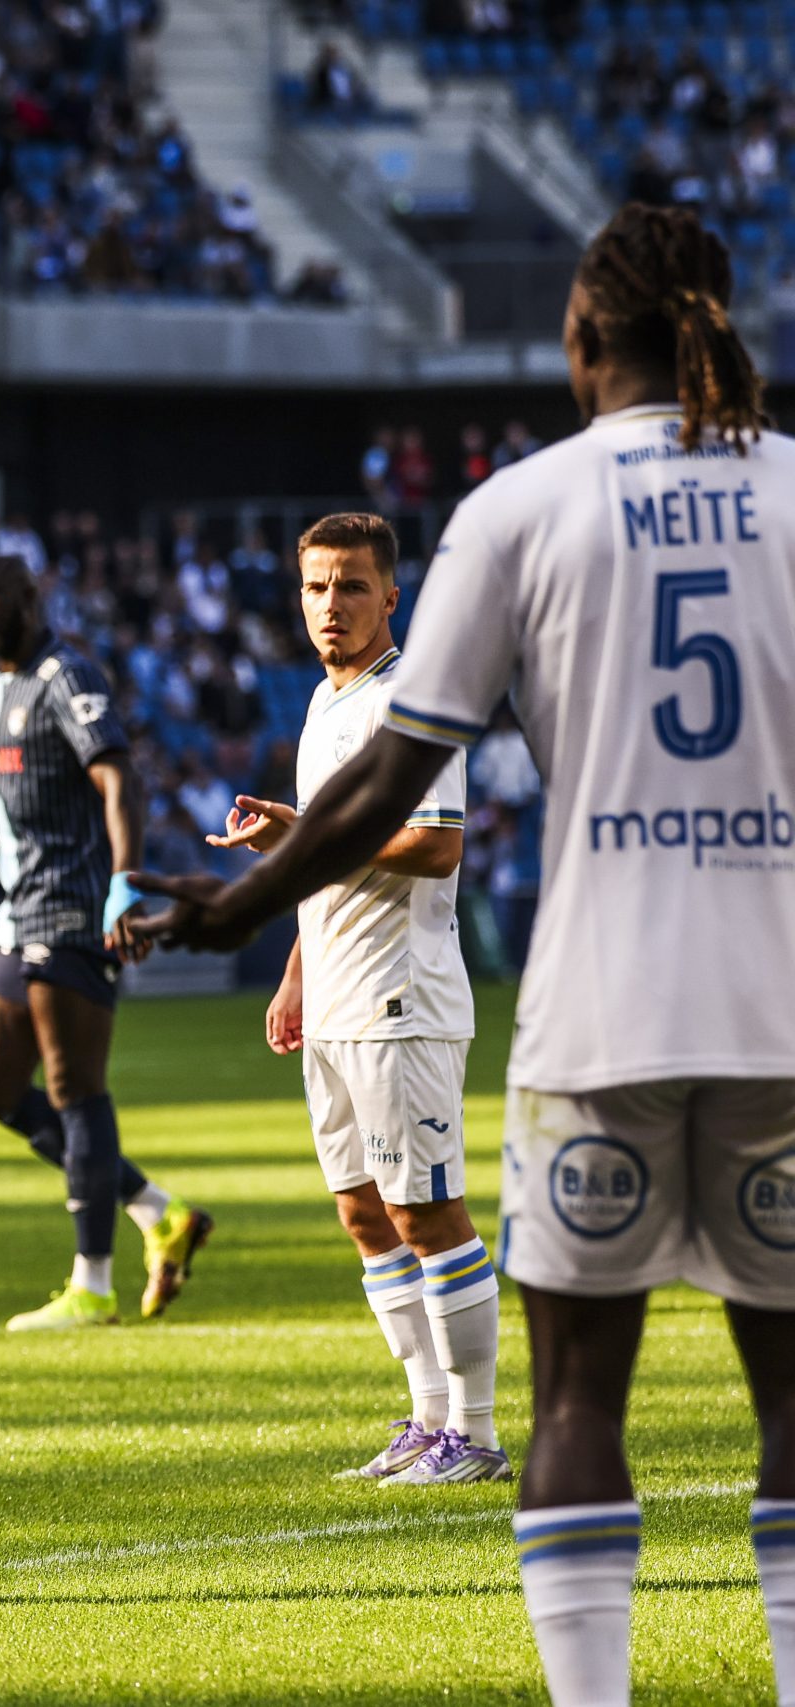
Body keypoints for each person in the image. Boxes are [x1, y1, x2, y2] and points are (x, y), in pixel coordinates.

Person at [136, 203, 795, 1707]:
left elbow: (394, 784)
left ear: (579, 340)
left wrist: (239, 907)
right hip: (776, 1000)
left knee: (576, 1399)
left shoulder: (517, 510)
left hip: (600, 1002)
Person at [206, 512, 502, 1486]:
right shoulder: (326, 705)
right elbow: (323, 861)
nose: (329, 606)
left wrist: (309, 840)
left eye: (349, 587)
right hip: (335, 997)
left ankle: (478, 1432)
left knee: (428, 1213)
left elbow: (437, 843)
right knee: (363, 1215)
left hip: (398, 999)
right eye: (314, 588)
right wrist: (297, 971)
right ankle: (425, 1421)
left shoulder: (413, 699)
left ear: (390, 596)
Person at [0, 552, 212, 1331]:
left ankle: (92, 1282)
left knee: (75, 1091)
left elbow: (120, 776)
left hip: (73, 909)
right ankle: (157, 1209)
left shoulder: (67, 675)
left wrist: (125, 880)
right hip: (16, 912)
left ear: (32, 597)